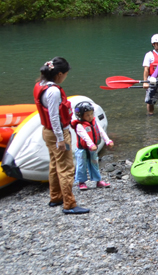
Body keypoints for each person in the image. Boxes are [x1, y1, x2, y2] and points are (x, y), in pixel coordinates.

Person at [34, 57, 88, 214]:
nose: (65, 77)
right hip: (57, 133)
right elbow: (54, 117)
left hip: (47, 132)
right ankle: (69, 204)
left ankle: (56, 197)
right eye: (65, 74)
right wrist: (61, 139)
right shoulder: (54, 91)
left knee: (54, 164)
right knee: (66, 167)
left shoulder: (40, 85)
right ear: (58, 74)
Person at [72, 101, 113, 190]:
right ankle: (81, 182)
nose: (90, 116)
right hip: (82, 149)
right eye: (87, 115)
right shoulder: (79, 126)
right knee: (81, 165)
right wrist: (91, 144)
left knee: (95, 163)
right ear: (80, 116)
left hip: (92, 149)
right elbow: (85, 136)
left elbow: (101, 132)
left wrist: (108, 141)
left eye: (91, 114)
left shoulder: (95, 122)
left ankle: (98, 181)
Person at [142, 34, 158, 115]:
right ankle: (150, 114)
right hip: (152, 80)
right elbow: (146, 69)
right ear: (153, 44)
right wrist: (145, 82)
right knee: (150, 99)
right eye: (157, 44)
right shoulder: (149, 55)